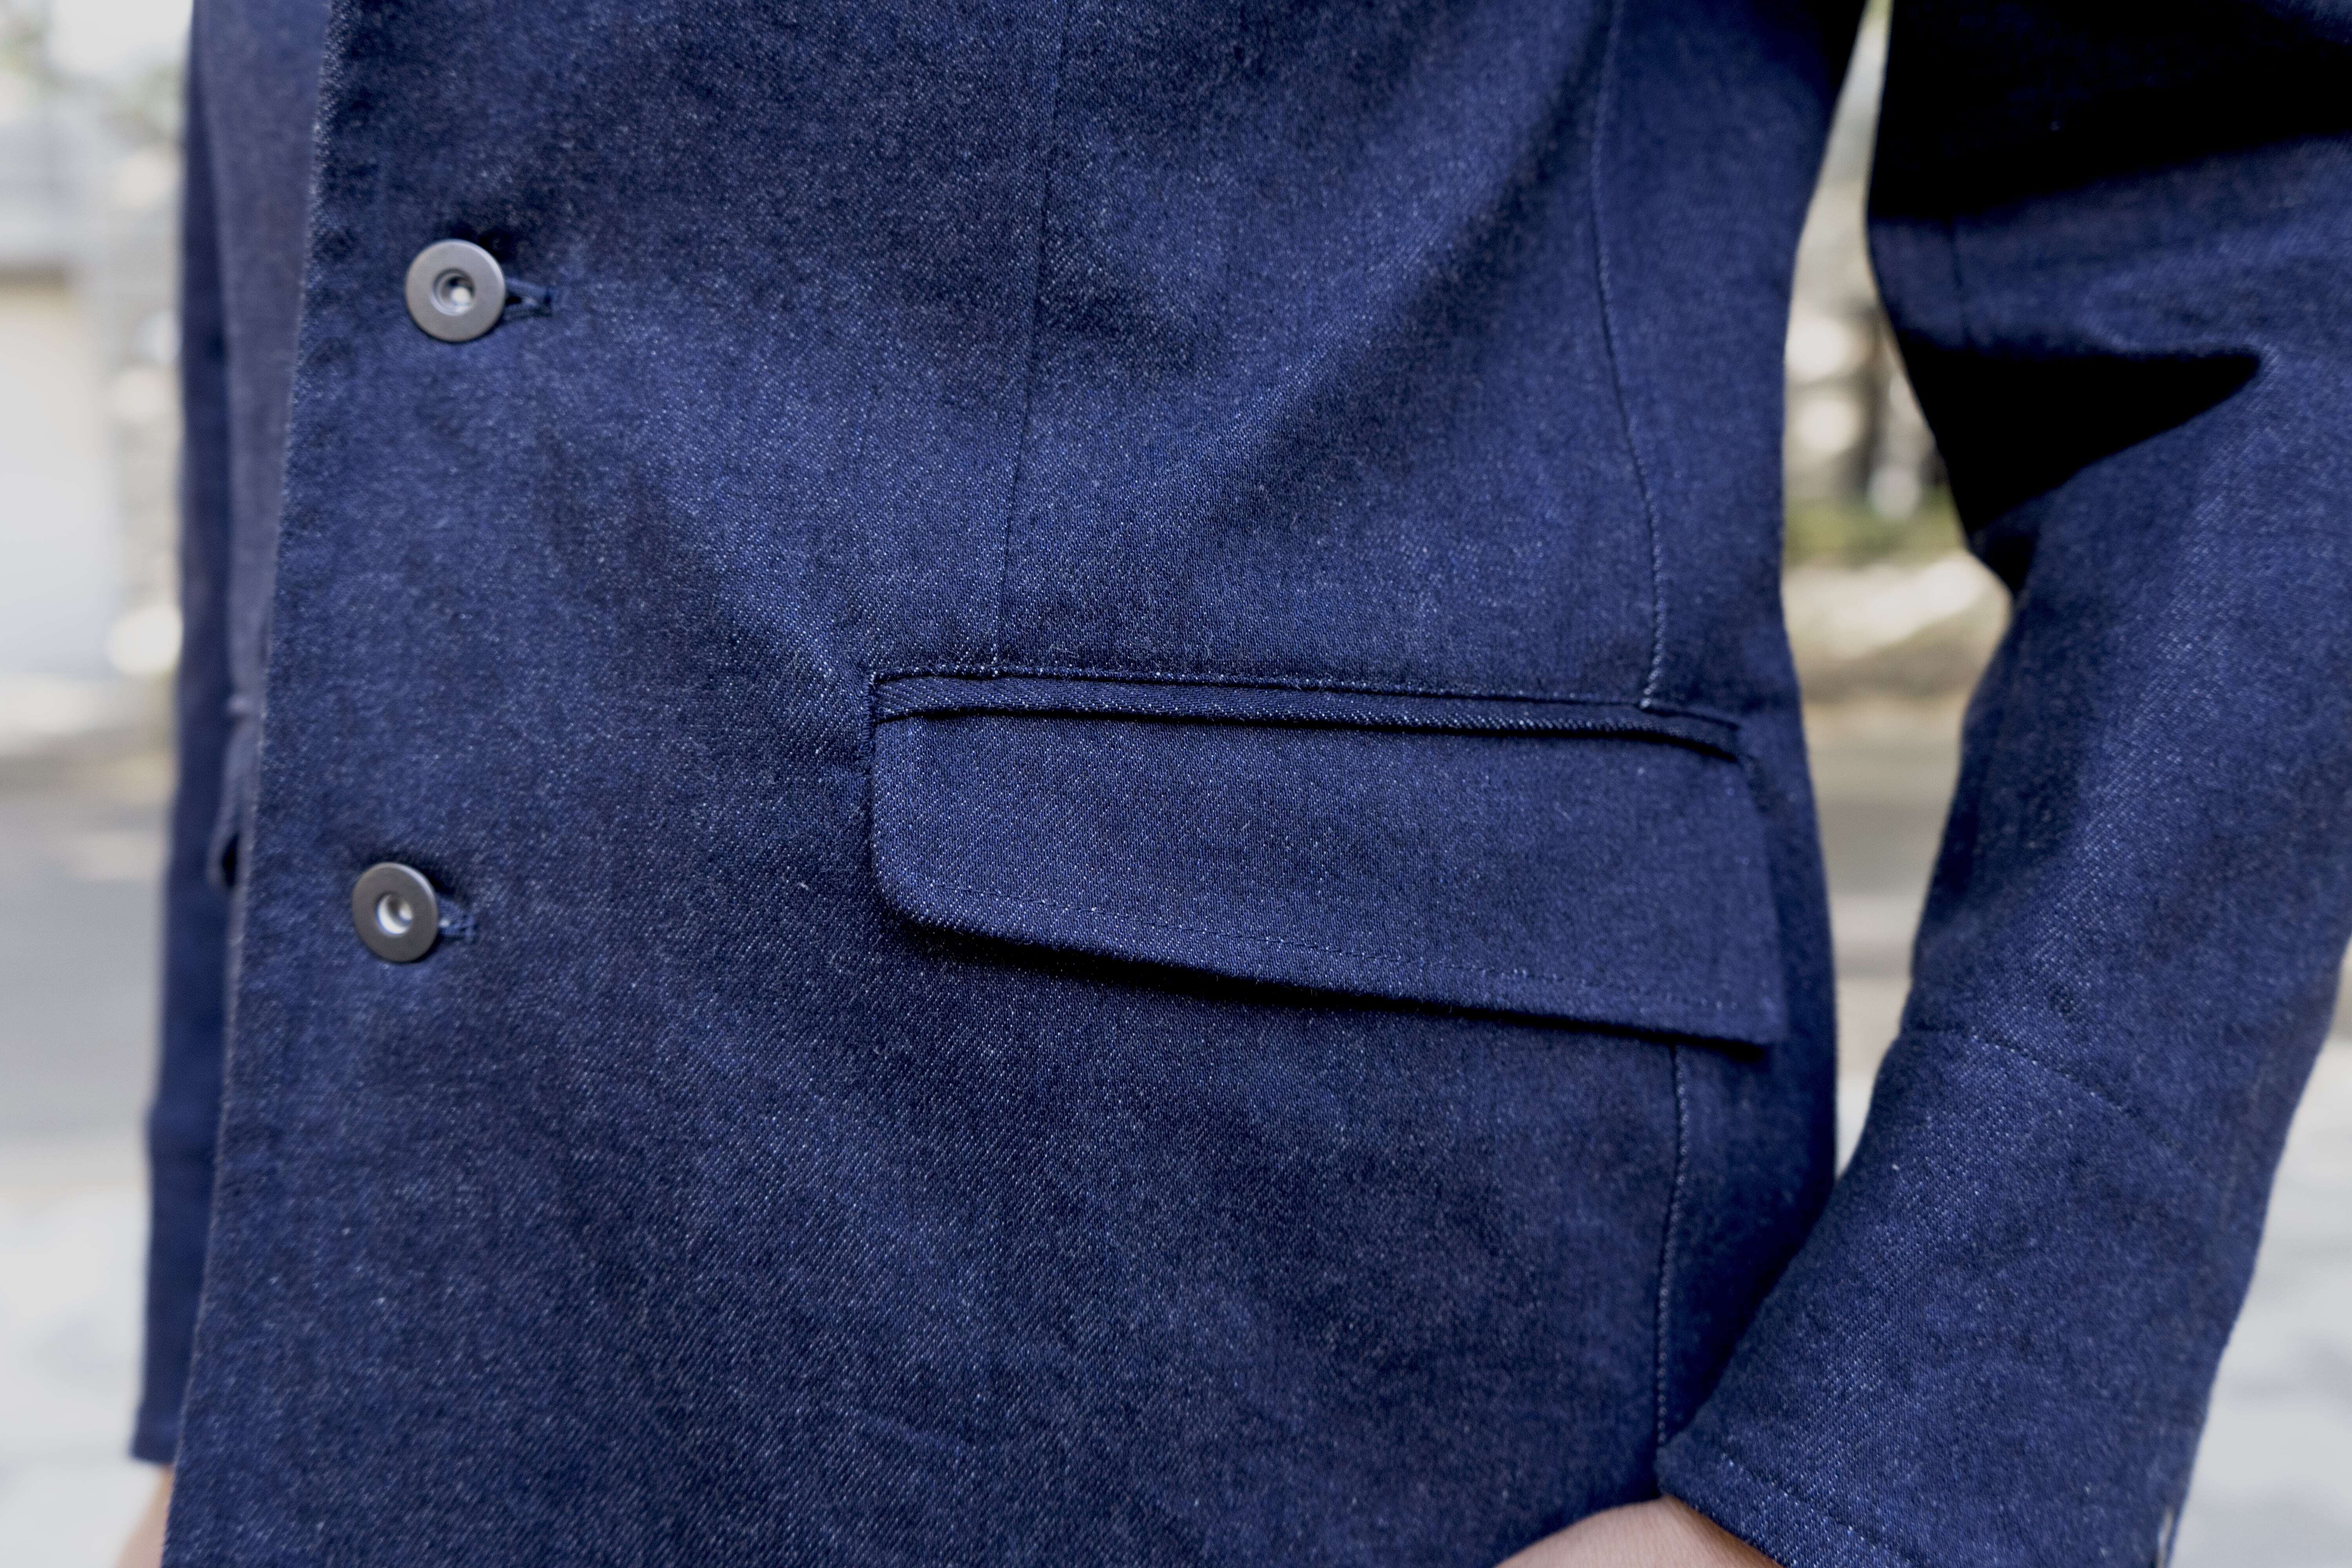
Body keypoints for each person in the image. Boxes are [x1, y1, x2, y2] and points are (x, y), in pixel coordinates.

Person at [121, 0, 2352, 1564]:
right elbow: (332, 354)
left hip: (1306, 1369)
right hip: (375, 1369)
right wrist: (211, 1376)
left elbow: (2255, 233)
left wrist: (1911, 1478)